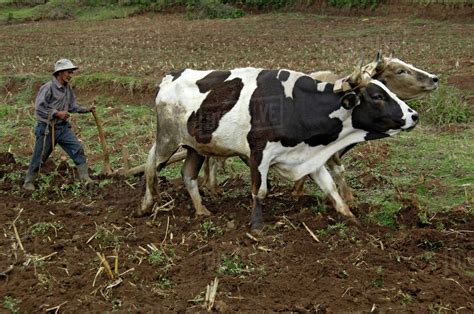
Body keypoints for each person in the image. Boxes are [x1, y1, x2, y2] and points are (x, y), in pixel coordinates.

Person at [23, 59, 95, 191]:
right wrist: (57, 113)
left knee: (77, 148)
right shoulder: (48, 88)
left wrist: (86, 109)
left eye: (71, 73)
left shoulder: (68, 88)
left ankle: (85, 178)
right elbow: (39, 108)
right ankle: (28, 182)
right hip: (47, 129)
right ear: (60, 73)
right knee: (40, 156)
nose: (70, 75)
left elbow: (72, 106)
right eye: (69, 72)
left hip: (62, 128)